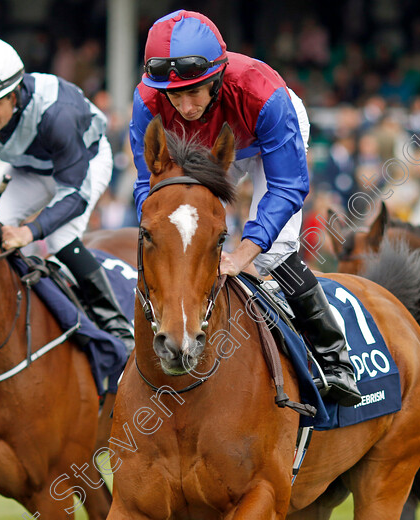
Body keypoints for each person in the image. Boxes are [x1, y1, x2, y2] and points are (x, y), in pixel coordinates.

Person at [130, 10, 361, 406]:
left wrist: (244, 252)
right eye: (176, 95)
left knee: (273, 251)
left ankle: (334, 358)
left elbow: (289, 187)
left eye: (194, 92)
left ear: (216, 78)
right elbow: (144, 183)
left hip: (266, 140)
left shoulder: (264, 93)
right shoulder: (147, 100)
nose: (185, 107)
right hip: (206, 149)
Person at [0, 34, 134, 352]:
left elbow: (73, 196)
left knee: (60, 239)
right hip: (30, 167)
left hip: (84, 162)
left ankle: (116, 325)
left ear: (14, 93)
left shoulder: (59, 115)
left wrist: (30, 231)